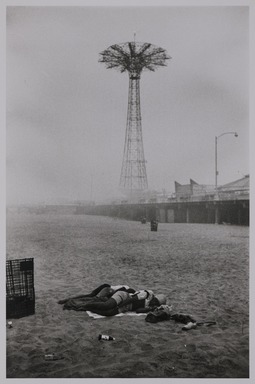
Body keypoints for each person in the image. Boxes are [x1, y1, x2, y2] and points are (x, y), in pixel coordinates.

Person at [64, 289, 167, 317]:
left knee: (109, 313)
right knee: (107, 305)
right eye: (156, 300)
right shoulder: (147, 294)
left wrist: (150, 309)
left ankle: (87, 308)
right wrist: (119, 305)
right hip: (124, 297)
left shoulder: (150, 305)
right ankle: (82, 305)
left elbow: (138, 310)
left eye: (156, 303)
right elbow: (132, 299)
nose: (154, 302)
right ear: (155, 297)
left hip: (127, 307)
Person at [58, 283, 136, 311]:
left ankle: (67, 300)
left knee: (90, 295)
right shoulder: (125, 289)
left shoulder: (125, 288)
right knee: (93, 298)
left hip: (106, 287)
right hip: (107, 289)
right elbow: (114, 293)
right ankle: (68, 301)